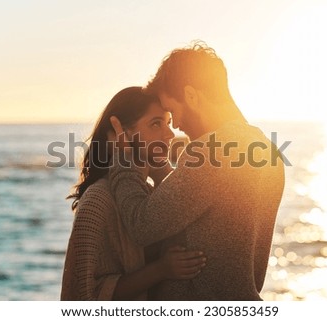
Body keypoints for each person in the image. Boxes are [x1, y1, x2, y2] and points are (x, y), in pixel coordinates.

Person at [108, 42, 286, 300]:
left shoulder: (212, 150)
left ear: (191, 95)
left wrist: (122, 159)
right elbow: (200, 207)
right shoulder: (268, 151)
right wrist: (162, 173)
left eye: (173, 111)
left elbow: (141, 225)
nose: (176, 125)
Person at [61, 86, 207, 300]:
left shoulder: (145, 194)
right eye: (156, 124)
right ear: (117, 134)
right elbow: (85, 295)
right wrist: (161, 269)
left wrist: (162, 174)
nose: (169, 134)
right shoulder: (97, 200)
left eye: (167, 123)